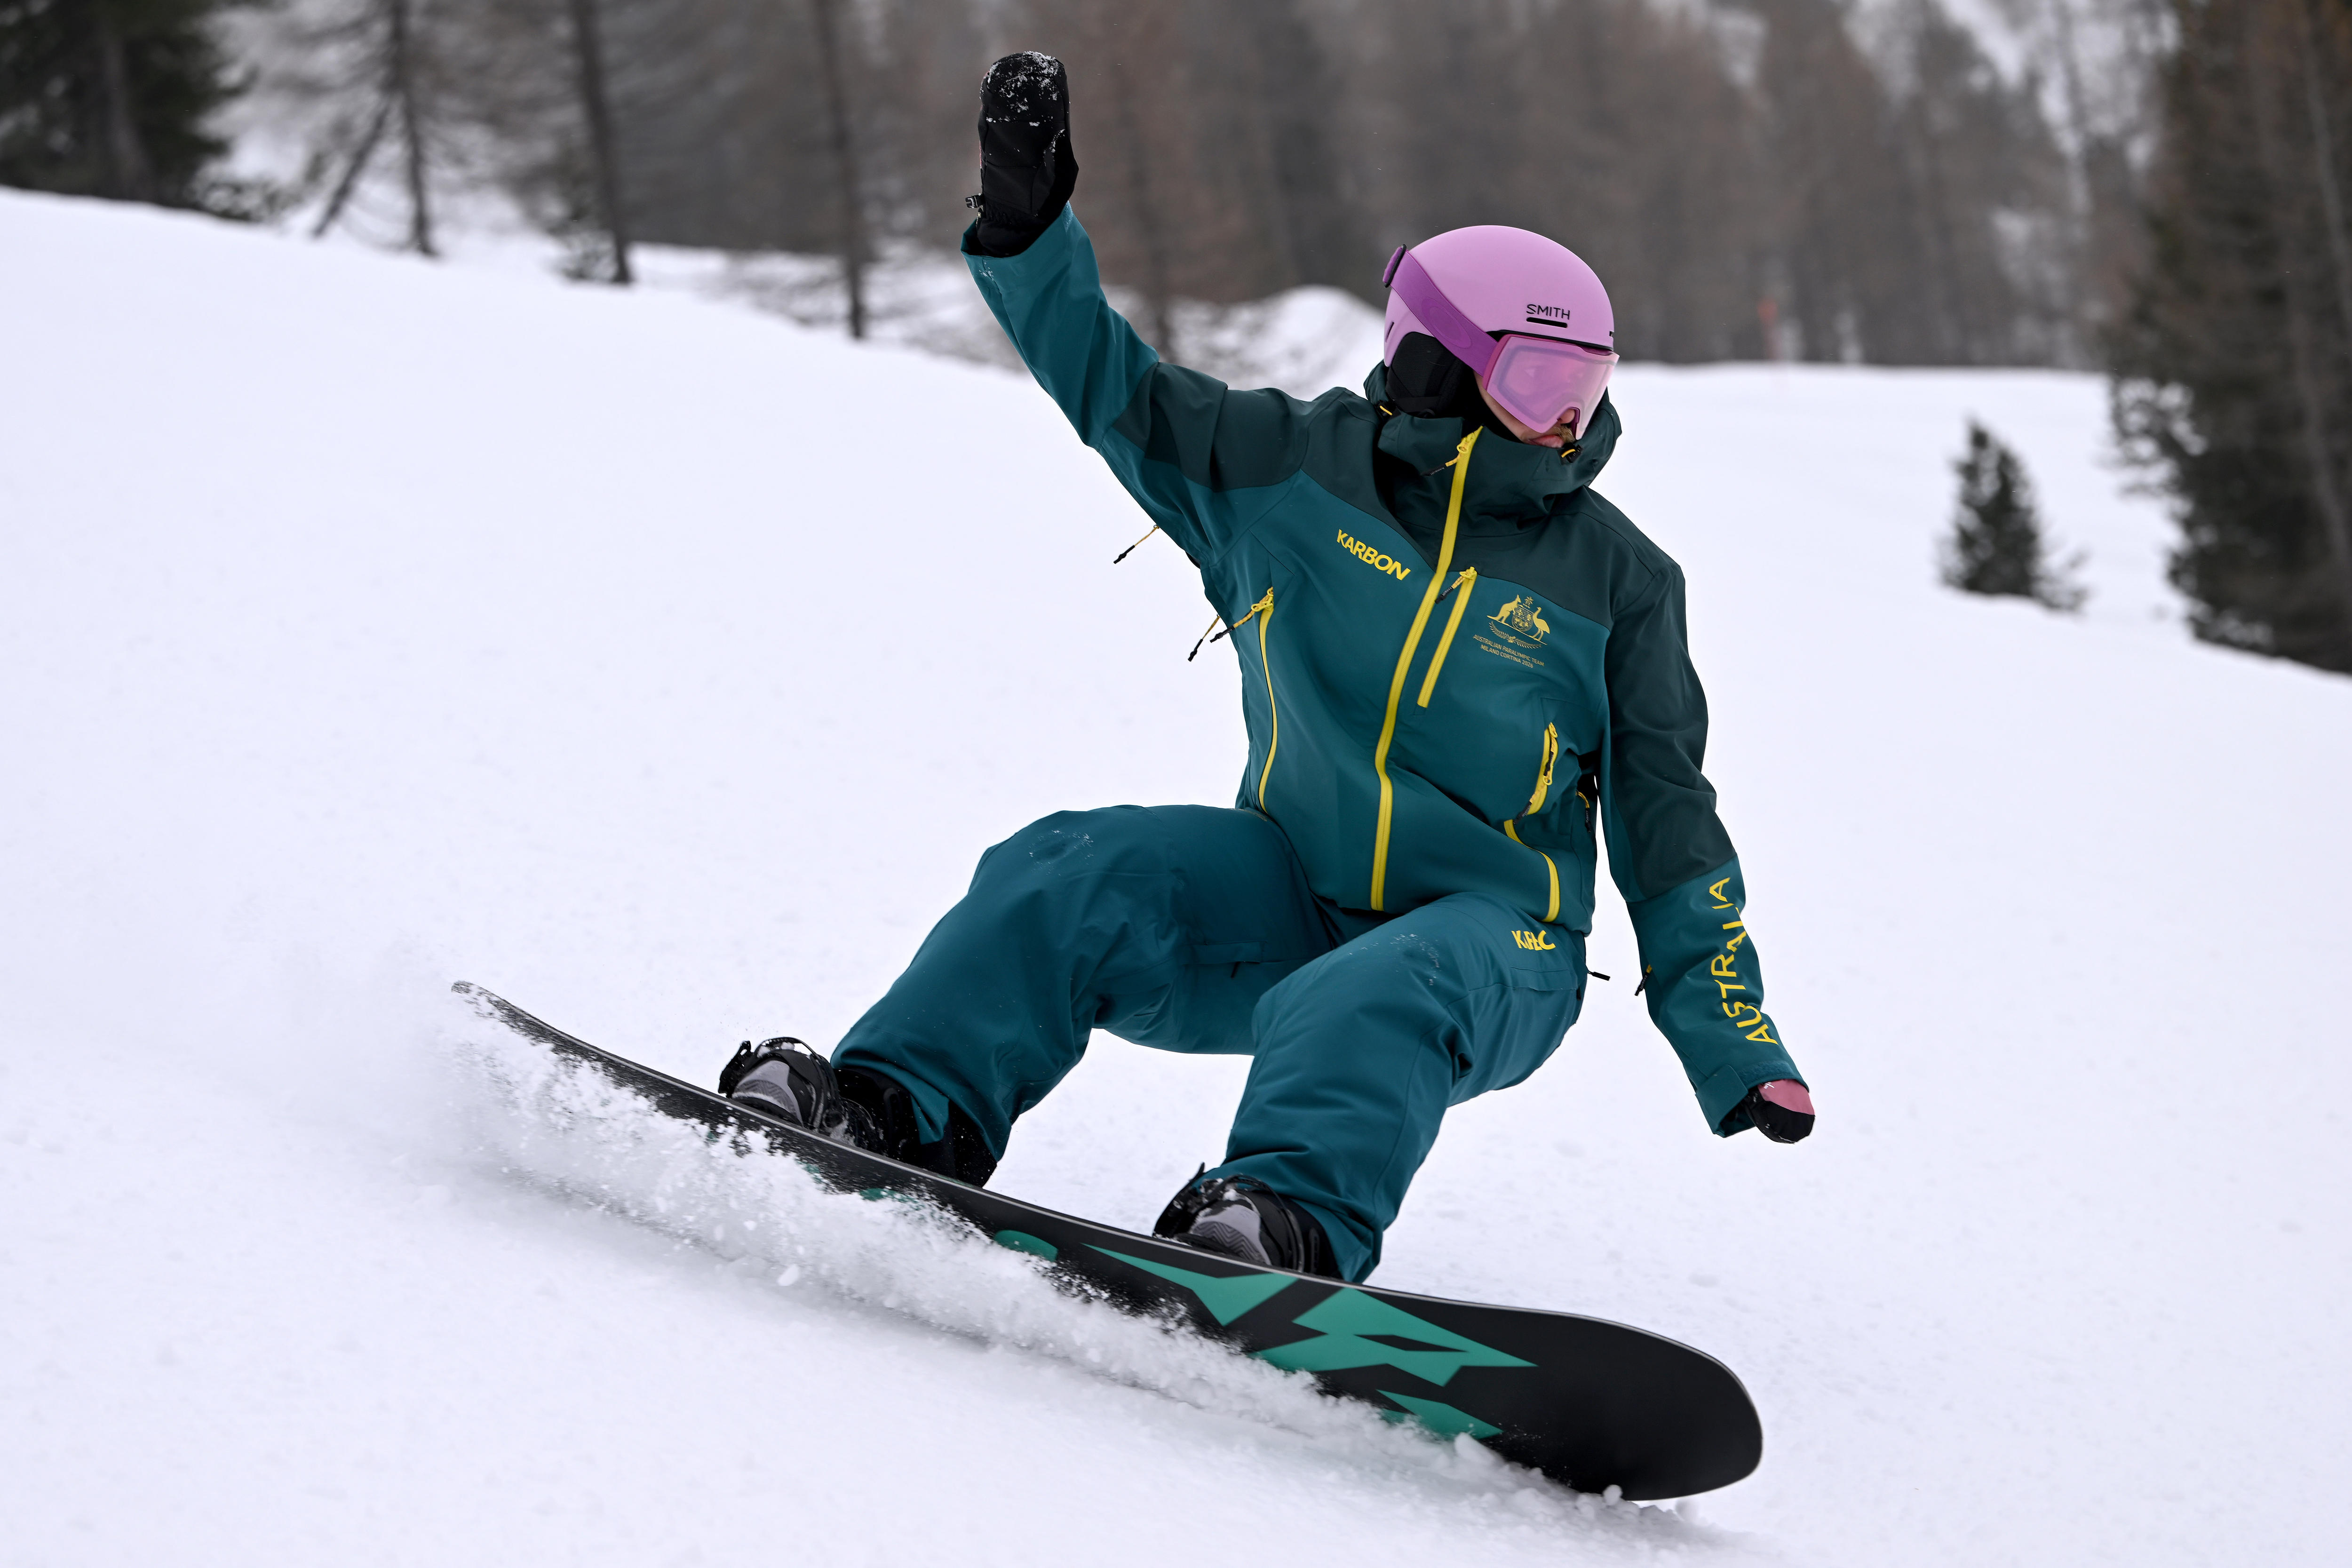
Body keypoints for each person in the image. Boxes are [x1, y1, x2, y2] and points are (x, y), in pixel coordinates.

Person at [719, 53, 1813, 1283]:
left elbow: (1673, 826)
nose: (1568, 425)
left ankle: (1282, 1224)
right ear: (1436, 365)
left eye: (1587, 389)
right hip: (1291, 892)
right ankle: (895, 1110)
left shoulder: (1619, 581)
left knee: (1381, 987)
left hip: (1498, 944)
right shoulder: (1287, 474)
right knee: (1071, 866)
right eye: (1538, 385)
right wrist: (1029, 235)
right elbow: (1111, 387)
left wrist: (1733, 1042)